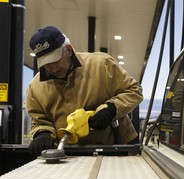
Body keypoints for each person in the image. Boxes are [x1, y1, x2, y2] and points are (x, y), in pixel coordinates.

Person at [26, 26, 143, 156]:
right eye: (46, 63)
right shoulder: (35, 87)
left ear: (69, 50)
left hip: (115, 146)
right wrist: (43, 132)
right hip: (68, 154)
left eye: (55, 59)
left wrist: (111, 109)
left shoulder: (101, 64)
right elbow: (39, 121)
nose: (52, 68)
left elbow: (134, 90)